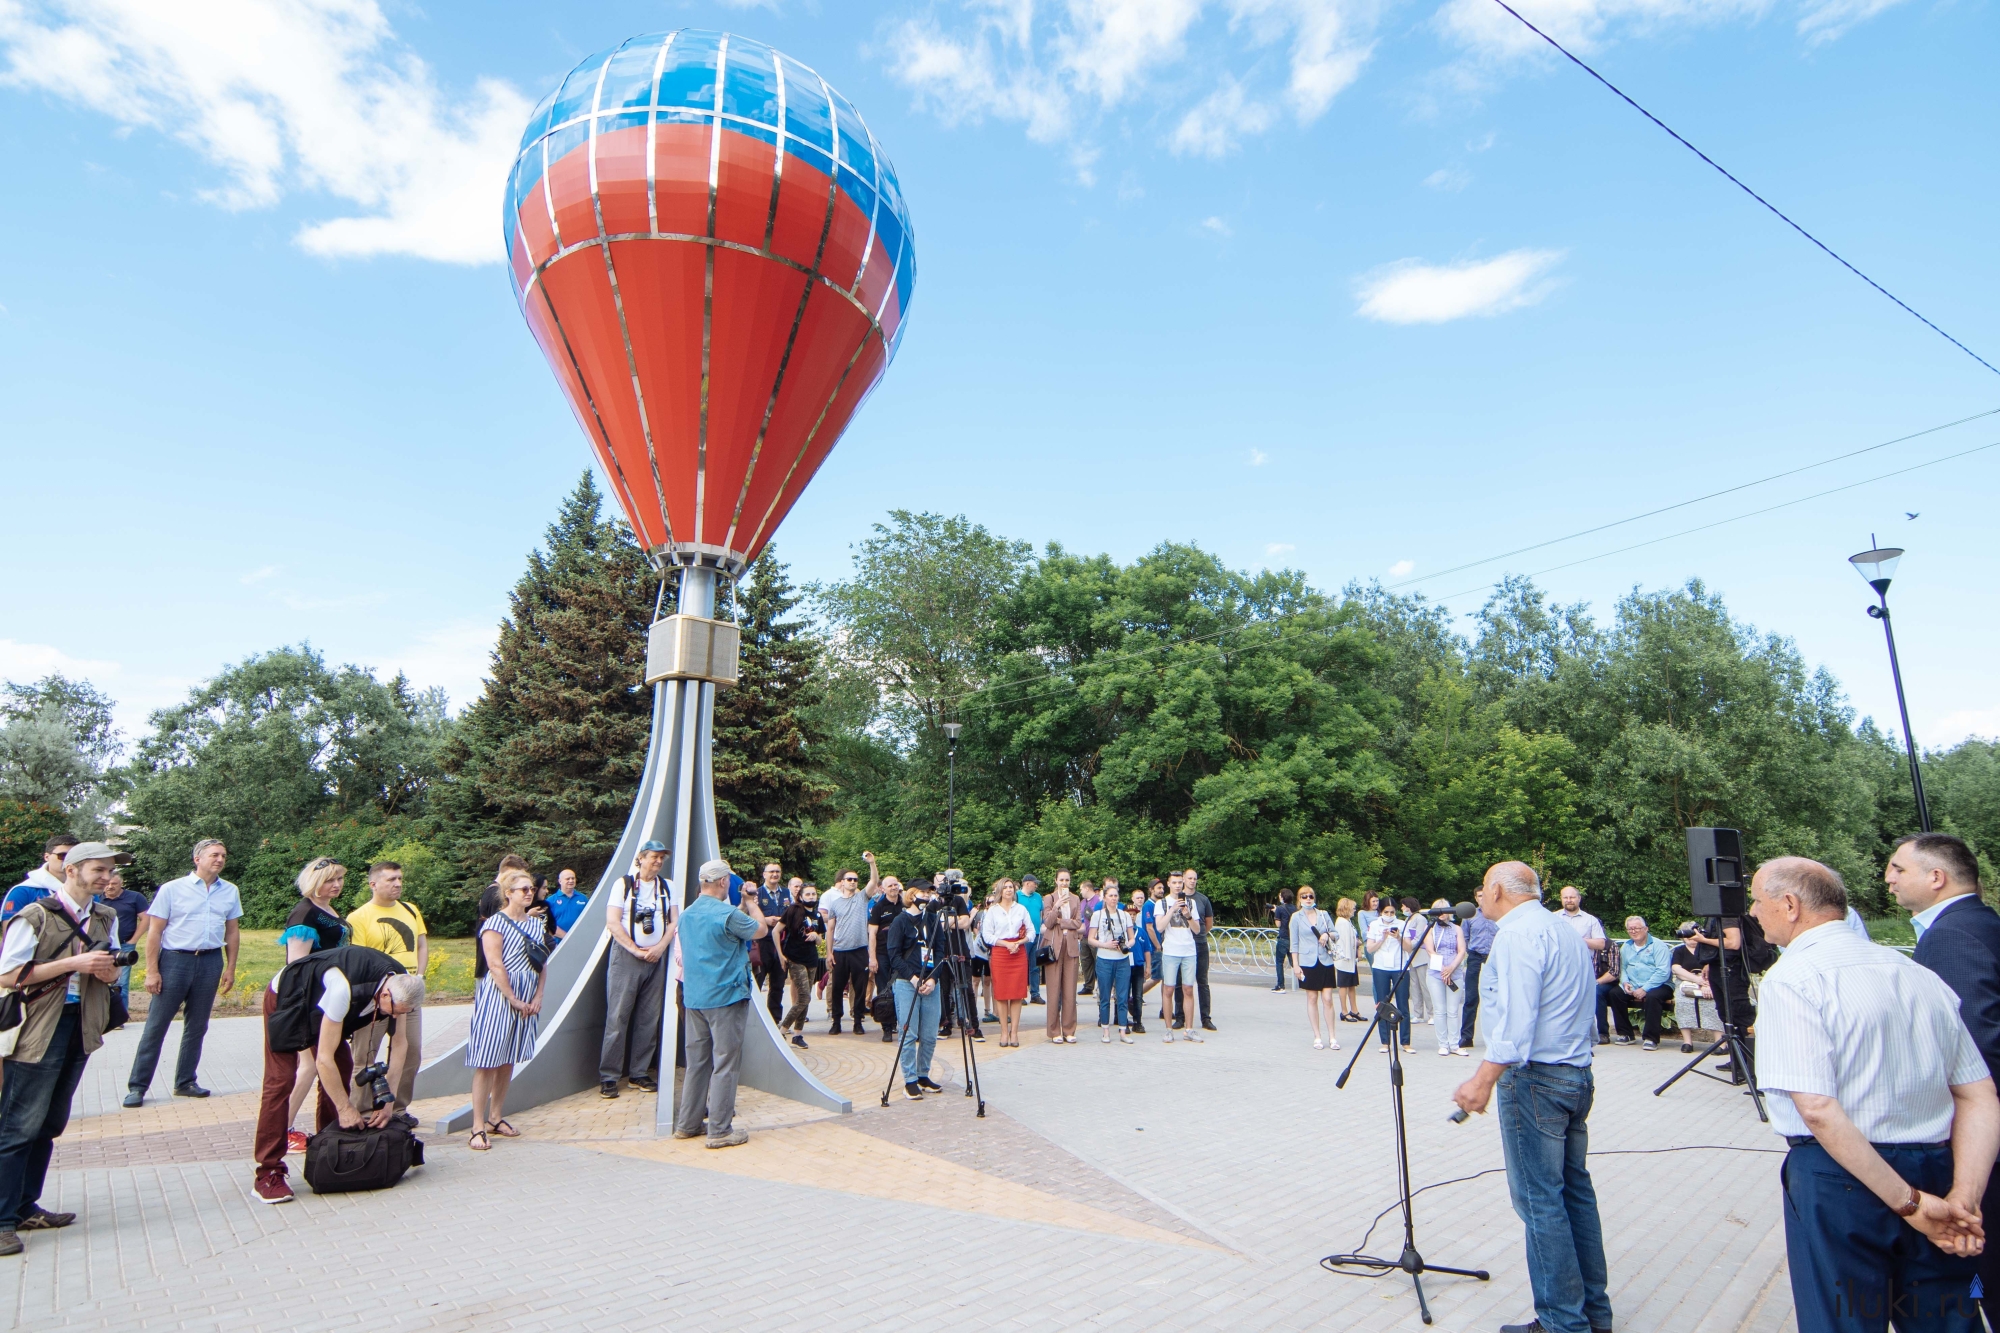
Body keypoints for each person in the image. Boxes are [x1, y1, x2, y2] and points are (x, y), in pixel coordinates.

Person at [1751, 855, 1996, 1333]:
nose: (1754, 913)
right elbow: (1979, 1093)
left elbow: (1818, 1109)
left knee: (1842, 1322)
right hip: (1939, 1168)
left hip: (1841, 1177)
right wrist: (1963, 1198)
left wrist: (1910, 1204)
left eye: (1758, 902)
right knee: (1945, 1318)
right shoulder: (1918, 974)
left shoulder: (1793, 979)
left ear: (1790, 904)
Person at [1451, 862, 1610, 1333]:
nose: (1478, 896)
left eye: (1481, 888)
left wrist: (1481, 1080)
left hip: (1537, 1080)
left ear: (1497, 890)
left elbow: (1517, 1024)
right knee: (1574, 1196)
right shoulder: (1561, 929)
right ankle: (1593, 1315)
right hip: (1574, 1075)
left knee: (1541, 1202)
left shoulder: (1518, 936)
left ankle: (1563, 1322)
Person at [1894, 832, 2000, 1321]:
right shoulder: (1977, 922)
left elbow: (1973, 1051)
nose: (1889, 878)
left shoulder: (1953, 934)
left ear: (1935, 878)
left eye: (1898, 868)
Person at [0, 842, 123, 1250]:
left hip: (79, 1026)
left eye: (110, 871)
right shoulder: (34, 914)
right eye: (99, 870)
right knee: (18, 1126)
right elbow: (9, 974)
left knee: (50, 1123)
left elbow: (110, 974)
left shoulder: (106, 916)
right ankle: (2, 1221)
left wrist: (106, 973)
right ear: (71, 870)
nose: (106, 877)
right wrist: (75, 964)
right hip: (38, 1028)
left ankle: (25, 1206)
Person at [251, 943, 425, 1205]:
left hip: (320, 1002)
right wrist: (346, 1108)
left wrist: (389, 1102)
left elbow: (400, 1045)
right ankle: (268, 1171)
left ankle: (327, 1144)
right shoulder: (343, 987)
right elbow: (322, 1060)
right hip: (288, 998)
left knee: (342, 1067)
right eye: (395, 1010)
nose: (395, 1016)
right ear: (386, 995)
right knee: (280, 1080)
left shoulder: (400, 982)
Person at [125, 838, 240, 1107]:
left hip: (210, 961)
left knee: (198, 1026)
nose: (220, 860)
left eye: (223, 855)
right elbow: (154, 932)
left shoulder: (230, 891)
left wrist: (230, 967)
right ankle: (138, 1087)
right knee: (156, 1026)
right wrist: (151, 971)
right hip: (175, 961)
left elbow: (232, 931)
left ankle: (186, 1081)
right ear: (197, 859)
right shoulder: (172, 889)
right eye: (214, 855)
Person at [672, 859, 767, 1147]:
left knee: (697, 1063)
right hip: (725, 997)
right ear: (724, 882)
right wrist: (751, 903)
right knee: (725, 1062)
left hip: (695, 998)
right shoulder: (727, 914)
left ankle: (687, 1124)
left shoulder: (687, 914)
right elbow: (760, 930)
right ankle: (719, 1130)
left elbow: (723, 929)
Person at [465, 869, 545, 1151]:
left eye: (531, 888)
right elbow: (495, 964)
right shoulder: (495, 924)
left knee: (508, 1057)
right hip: (499, 995)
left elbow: (542, 963)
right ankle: (476, 1125)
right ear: (507, 893)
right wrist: (512, 997)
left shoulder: (536, 925)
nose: (528, 893)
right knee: (488, 1059)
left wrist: (538, 995)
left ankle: (495, 1117)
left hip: (526, 992)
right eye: (522, 889)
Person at [277, 857, 349, 1154]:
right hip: (310, 1000)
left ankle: (297, 1126)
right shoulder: (305, 913)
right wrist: (304, 1006)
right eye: (330, 880)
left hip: (328, 996)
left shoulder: (326, 909)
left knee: (314, 1067)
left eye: (340, 879)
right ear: (313, 882)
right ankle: (283, 1129)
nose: (336, 885)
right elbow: (297, 965)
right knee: (307, 1067)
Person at [345, 860, 427, 1117]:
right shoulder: (358, 917)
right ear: (373, 884)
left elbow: (421, 945)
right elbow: (359, 960)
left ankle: (398, 1109)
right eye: (391, 879)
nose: (398, 884)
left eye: (400, 878)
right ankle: (364, 1111)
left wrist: (420, 977)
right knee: (365, 1055)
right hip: (377, 998)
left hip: (408, 996)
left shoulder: (411, 910)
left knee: (411, 1052)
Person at [600, 840, 675, 1097]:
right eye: (654, 857)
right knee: (618, 1016)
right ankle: (609, 1075)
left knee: (649, 1018)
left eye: (661, 858)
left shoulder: (667, 887)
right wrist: (634, 949)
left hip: (656, 959)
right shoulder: (622, 885)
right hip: (627, 958)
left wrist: (660, 948)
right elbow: (612, 921)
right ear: (641, 858)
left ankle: (639, 1072)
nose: (658, 862)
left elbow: (673, 921)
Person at [885, 876, 951, 1098]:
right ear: (912, 895)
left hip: (931, 982)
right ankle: (910, 1079)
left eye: (930, 893)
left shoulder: (932, 919)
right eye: (923, 893)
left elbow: (940, 949)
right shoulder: (900, 921)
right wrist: (913, 979)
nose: (927, 897)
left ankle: (923, 1074)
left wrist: (933, 979)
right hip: (906, 983)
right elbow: (893, 955)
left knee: (930, 1034)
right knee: (909, 1033)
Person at [819, 862, 871, 1036]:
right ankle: (836, 1021)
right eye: (849, 879)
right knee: (837, 987)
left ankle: (857, 1020)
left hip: (859, 950)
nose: (853, 882)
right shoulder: (835, 903)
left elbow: (873, 881)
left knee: (859, 987)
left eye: (855, 879)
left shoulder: (862, 898)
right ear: (842, 882)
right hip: (840, 950)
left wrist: (872, 863)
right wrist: (829, 953)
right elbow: (831, 929)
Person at [1609, 916, 1673, 1050]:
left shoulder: (1658, 945)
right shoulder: (1626, 946)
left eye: (1637, 928)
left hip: (1659, 984)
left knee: (1653, 997)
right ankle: (1625, 1034)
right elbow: (1623, 968)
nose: (1633, 931)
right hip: (1633, 983)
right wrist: (1625, 982)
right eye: (1630, 929)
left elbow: (1662, 972)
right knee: (1615, 993)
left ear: (1646, 929)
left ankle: (1651, 1038)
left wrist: (1645, 988)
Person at [1287, 887, 1340, 1050]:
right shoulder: (1296, 917)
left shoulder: (1323, 914)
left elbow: (1335, 933)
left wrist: (1327, 935)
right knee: (1312, 998)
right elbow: (1294, 943)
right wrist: (1295, 965)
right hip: (1307, 961)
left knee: (1328, 999)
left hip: (1325, 960)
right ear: (1299, 899)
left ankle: (1332, 1036)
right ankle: (1317, 1036)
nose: (1308, 899)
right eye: (1304, 896)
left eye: (1310, 896)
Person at [982, 880, 1033, 1046]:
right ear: (999, 890)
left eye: (1011, 887)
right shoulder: (993, 911)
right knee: (1002, 994)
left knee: (1017, 994)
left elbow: (1031, 931)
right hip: (1000, 952)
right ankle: (1004, 1032)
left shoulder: (1021, 909)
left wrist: (1019, 942)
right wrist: (1006, 944)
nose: (1008, 890)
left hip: (1018, 953)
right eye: (1005, 887)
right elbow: (987, 935)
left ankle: (1014, 1033)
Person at [93, 861, 147, 1007]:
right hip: (101, 946)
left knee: (121, 981)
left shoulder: (135, 897)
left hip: (124, 945)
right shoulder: (97, 898)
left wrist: (134, 940)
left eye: (114, 884)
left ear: (121, 883)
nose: (110, 887)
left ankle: (120, 1016)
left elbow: (146, 918)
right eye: (108, 884)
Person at [1157, 879, 1204, 1044]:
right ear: (1169, 884)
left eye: (1180, 883)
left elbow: (1197, 929)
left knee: (1188, 989)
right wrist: (1172, 910)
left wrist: (1188, 915)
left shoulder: (1191, 902)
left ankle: (1189, 1029)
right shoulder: (1161, 903)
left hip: (1188, 950)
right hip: (1170, 950)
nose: (1177, 886)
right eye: (1174, 882)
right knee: (1168, 989)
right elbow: (1159, 927)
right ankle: (1169, 1030)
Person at [775, 888, 823, 1049]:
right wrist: (781, 955)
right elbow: (776, 931)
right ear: (800, 896)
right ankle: (782, 1030)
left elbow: (820, 940)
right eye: (807, 894)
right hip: (795, 958)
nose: (811, 896)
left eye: (813, 894)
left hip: (811, 959)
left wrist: (817, 936)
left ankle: (798, 1034)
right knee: (803, 997)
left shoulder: (817, 915)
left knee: (806, 997)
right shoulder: (793, 910)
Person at [1089, 878, 1135, 1043]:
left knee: (1122, 996)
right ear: (1105, 897)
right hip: (1104, 959)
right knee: (1105, 996)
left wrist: (1127, 945)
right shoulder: (1097, 915)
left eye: (1116, 895)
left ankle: (1123, 1031)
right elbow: (1090, 939)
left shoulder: (1124, 915)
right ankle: (1106, 1031)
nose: (1114, 898)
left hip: (1122, 959)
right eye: (1110, 895)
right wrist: (1105, 944)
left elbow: (1132, 938)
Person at [1364, 901, 1412, 1052]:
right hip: (1381, 967)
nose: (1389, 915)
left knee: (1403, 1004)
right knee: (1382, 1004)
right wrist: (1382, 938)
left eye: (1392, 912)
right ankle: (1385, 1041)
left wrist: (1399, 938)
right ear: (1381, 912)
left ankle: (1405, 1042)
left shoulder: (1404, 924)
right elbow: (1370, 948)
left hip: (1400, 967)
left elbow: (1409, 948)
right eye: (1386, 912)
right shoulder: (1374, 924)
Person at [1042, 875, 1084, 1043]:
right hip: (1054, 947)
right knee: (1053, 990)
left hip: (1071, 946)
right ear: (1056, 881)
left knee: (1070, 991)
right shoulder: (1049, 898)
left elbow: (1078, 923)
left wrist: (1062, 921)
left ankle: (1069, 1029)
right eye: (1061, 880)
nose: (1064, 883)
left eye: (1067, 880)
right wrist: (1056, 907)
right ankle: (1054, 1031)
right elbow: (1048, 922)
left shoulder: (1075, 898)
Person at [2, 834, 79, 924]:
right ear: (47, 857)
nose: (68, 860)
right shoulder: (23, 891)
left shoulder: (87, 890)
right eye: (62, 855)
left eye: (74, 856)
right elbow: (10, 932)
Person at [1425, 899, 1467, 1057]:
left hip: (1454, 973)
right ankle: (1443, 1044)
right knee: (1440, 1010)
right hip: (1436, 974)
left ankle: (1454, 1043)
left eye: (1444, 910)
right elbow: (1430, 950)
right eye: (1438, 910)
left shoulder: (1457, 929)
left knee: (1453, 1010)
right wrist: (1443, 970)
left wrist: (1451, 968)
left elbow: (1461, 950)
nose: (1441, 914)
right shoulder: (1430, 929)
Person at [753, 863, 792, 1026]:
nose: (774, 874)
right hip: (763, 944)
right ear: (764, 874)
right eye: (771, 872)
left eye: (777, 871)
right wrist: (765, 920)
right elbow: (749, 917)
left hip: (781, 944)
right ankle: (756, 1020)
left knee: (778, 984)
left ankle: (774, 1020)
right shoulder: (757, 893)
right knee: (758, 981)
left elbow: (791, 913)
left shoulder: (786, 893)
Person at [867, 874, 904, 1043]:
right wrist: (872, 958)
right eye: (890, 886)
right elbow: (872, 933)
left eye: (895, 885)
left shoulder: (905, 905)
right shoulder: (878, 907)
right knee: (884, 990)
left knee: (901, 989)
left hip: (901, 955)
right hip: (882, 953)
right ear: (883, 888)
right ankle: (886, 1028)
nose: (893, 888)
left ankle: (899, 1023)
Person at [1459, 899, 1498, 1052]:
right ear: (1476, 898)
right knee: (1471, 997)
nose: (1483, 898)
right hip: (1475, 956)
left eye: (1485, 895)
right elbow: (1464, 936)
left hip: (1494, 956)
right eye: (1480, 896)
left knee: (1497, 997)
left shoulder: (1498, 913)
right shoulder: (1470, 915)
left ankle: (1497, 1036)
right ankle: (1466, 1036)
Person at [1669, 923, 1714, 1053]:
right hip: (1686, 983)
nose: (1690, 938)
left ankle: (1720, 1043)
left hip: (1708, 982)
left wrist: (1706, 984)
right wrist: (1696, 979)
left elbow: (1714, 968)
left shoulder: (1708, 949)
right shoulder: (1679, 951)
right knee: (1683, 1002)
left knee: (1712, 1002)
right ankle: (1687, 1042)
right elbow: (1676, 969)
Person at [1183, 868, 1217, 1032]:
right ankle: (1180, 1016)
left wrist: (1200, 933)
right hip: (1182, 944)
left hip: (1199, 943)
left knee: (1202, 981)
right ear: (1183, 879)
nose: (1192, 881)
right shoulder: (1177, 899)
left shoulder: (1203, 899)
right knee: (1179, 982)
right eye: (1189, 878)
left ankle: (1206, 1017)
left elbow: (1208, 922)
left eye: (1194, 878)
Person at [1123, 887, 1151, 1034]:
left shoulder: (1141, 931)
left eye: (1134, 915)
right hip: (1125, 966)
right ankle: (1123, 1022)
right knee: (1124, 994)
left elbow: (1147, 950)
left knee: (1138, 995)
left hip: (1138, 966)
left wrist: (1149, 966)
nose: (1132, 917)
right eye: (1129, 915)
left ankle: (1138, 1022)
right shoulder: (1122, 932)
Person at [1403, 898, 1434, 1025]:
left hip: (1420, 956)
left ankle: (1432, 1013)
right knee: (1414, 986)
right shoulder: (1407, 919)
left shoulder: (1420, 919)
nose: (1402, 909)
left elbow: (1419, 936)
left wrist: (1408, 946)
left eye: (1404, 906)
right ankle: (1418, 1014)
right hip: (1410, 956)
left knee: (1424, 986)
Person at [1331, 897, 1362, 1023]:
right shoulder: (1342, 923)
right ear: (1347, 908)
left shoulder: (1347, 921)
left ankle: (1354, 1010)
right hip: (1345, 959)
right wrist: (1357, 945)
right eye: (1353, 908)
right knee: (1343, 985)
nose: (1354, 910)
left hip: (1350, 959)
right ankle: (1344, 1011)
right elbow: (1345, 942)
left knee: (1352, 985)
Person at [1018, 874, 1046, 1004]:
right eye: (1034, 883)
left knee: (1035, 966)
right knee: (1022, 964)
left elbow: (1041, 913)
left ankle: (1035, 993)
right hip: (1023, 936)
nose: (1036, 885)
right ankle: (1021, 994)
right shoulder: (1017, 896)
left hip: (1036, 934)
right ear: (1027, 883)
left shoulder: (1038, 897)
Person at [1592, 929, 1622, 1046]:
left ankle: (1602, 1032)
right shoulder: (1579, 944)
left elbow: (1614, 972)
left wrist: (1595, 982)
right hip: (1583, 981)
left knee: (1596, 992)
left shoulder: (1610, 945)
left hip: (1605, 982)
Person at [1556, 885, 1607, 954]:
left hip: (1583, 963)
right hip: (1559, 963)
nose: (1569, 900)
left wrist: (1579, 940)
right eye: (1565, 897)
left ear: (1579, 898)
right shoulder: (1552, 917)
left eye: (1572, 897)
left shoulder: (1591, 919)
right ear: (1561, 898)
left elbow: (1601, 944)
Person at [546, 867, 588, 941]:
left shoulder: (583, 898)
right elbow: (548, 925)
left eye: (573, 878)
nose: (571, 881)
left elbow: (589, 919)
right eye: (567, 879)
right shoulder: (551, 901)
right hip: (559, 944)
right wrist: (568, 938)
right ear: (560, 881)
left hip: (581, 940)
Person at [1271, 887, 1295, 992]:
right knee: (1294, 962)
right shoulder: (1296, 909)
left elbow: (1278, 924)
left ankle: (1280, 986)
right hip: (1293, 939)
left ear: (1282, 897)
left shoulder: (1280, 909)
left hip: (1283, 938)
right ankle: (1305, 982)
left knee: (1279, 962)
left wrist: (1275, 912)